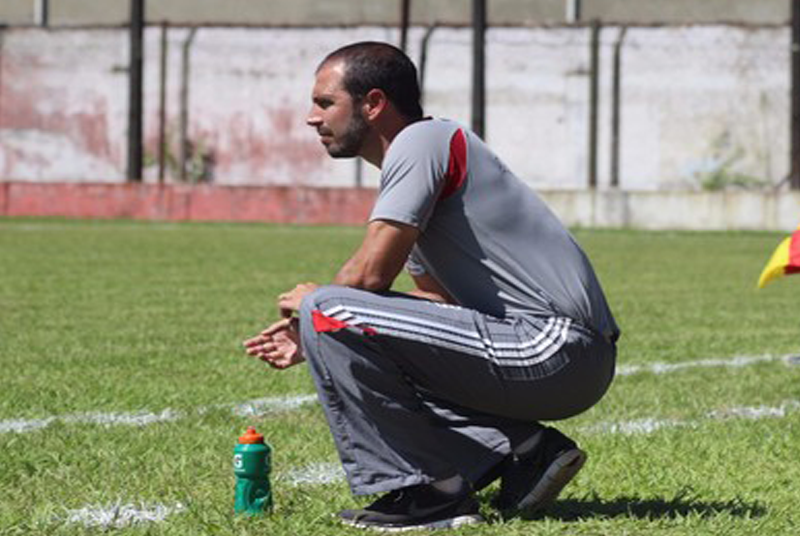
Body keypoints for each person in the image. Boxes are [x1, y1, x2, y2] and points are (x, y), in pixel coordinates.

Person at [244, 41, 619, 531]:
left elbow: (368, 278)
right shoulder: (421, 169)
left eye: (324, 102)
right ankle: (525, 450)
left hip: (554, 345)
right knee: (344, 322)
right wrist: (324, 332)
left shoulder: (421, 143)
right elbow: (436, 303)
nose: (312, 119)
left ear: (373, 103)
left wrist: (314, 316)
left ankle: (432, 493)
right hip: (558, 355)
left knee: (329, 306)